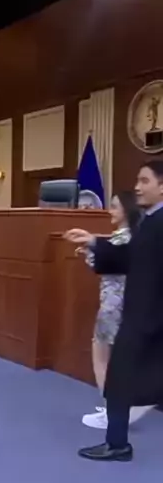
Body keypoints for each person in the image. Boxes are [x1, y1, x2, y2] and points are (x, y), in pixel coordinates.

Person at [65, 160, 163, 461]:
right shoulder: (150, 220)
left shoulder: (158, 222)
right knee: (123, 378)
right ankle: (117, 442)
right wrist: (94, 242)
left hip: (148, 315)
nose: (137, 187)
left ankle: (118, 443)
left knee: (121, 377)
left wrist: (97, 244)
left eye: (144, 181)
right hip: (142, 313)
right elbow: (130, 257)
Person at [80, 191, 151, 429]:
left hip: (113, 304)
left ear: (126, 210)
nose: (110, 211)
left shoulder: (122, 238)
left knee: (103, 357)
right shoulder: (136, 236)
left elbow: (105, 263)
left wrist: (89, 252)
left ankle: (112, 410)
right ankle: (117, 407)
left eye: (114, 206)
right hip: (127, 303)